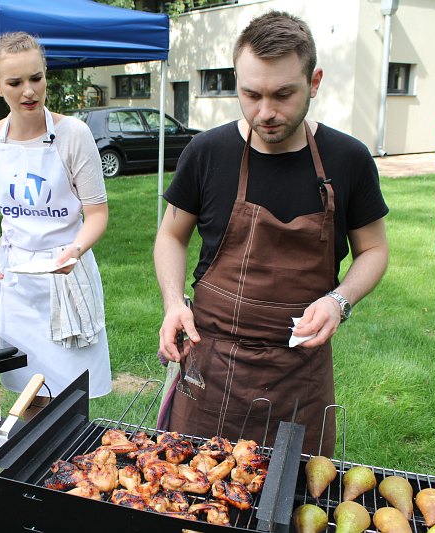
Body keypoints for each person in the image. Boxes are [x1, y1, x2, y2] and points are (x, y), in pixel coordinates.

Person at [154, 11, 389, 456]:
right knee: (189, 494)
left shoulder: (348, 159)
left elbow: (374, 249)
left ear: (314, 81)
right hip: (211, 367)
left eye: (283, 94)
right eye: (251, 94)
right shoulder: (208, 153)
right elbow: (171, 236)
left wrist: (339, 300)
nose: (266, 112)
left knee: (295, 505)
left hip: (298, 373)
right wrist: (171, 304)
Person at [0, 32, 112, 405]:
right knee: (26, 391)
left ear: (46, 74)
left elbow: (97, 213)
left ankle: (73, 460)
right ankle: (33, 461)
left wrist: (75, 250)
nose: (29, 91)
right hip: (14, 278)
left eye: (36, 78)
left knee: (70, 392)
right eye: (15, 83)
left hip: (66, 271)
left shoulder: (73, 135)